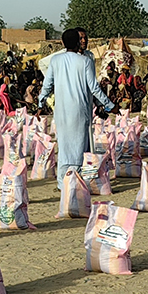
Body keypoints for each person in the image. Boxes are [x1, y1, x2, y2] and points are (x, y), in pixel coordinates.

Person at [39, 28, 116, 187]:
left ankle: (63, 184)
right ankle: (78, 183)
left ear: (62, 43)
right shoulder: (85, 61)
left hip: (61, 112)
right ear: (76, 42)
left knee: (65, 146)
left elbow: (47, 85)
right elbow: (94, 88)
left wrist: (41, 103)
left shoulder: (55, 60)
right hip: (80, 110)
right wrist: (109, 105)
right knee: (80, 147)